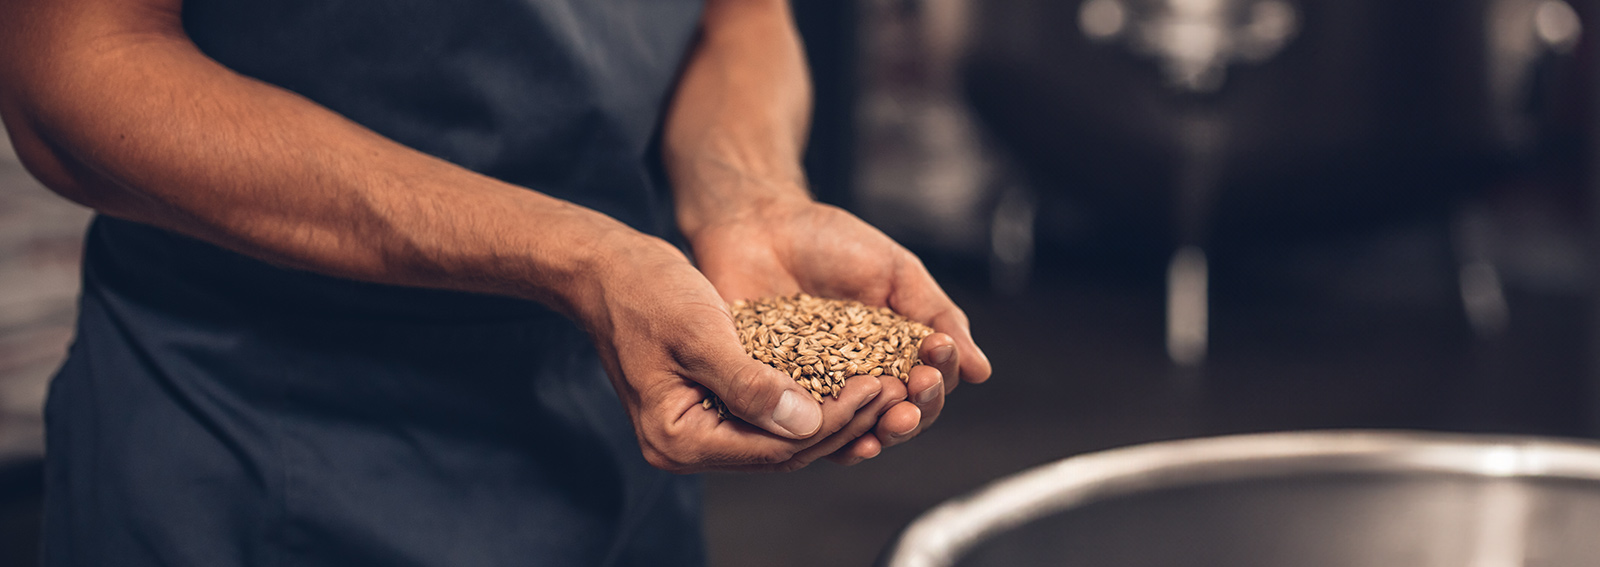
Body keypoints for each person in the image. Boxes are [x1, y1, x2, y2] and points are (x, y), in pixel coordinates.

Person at [0, 0, 991, 564]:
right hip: (259, 436)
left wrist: (748, 194)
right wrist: (577, 256)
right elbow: (73, 74)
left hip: (612, 419)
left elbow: (736, 16)